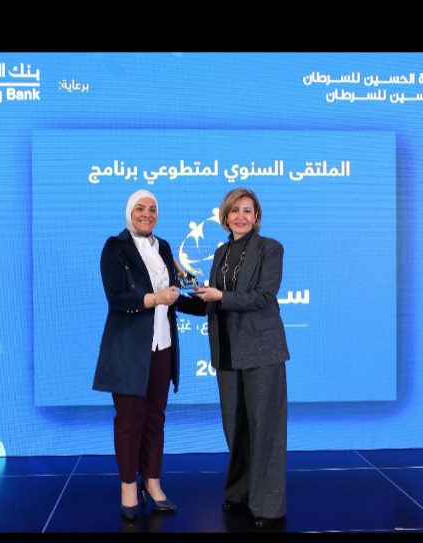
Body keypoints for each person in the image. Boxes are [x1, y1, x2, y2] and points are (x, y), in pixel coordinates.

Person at [92, 189, 204, 522]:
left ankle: (152, 483)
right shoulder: (115, 247)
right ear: (129, 213)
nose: (147, 214)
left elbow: (178, 293)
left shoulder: (164, 248)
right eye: (140, 208)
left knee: (155, 417)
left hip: (162, 346)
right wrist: (155, 298)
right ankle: (129, 487)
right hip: (129, 349)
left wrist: (198, 290)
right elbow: (117, 299)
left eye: (152, 209)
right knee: (129, 421)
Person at [190, 187, 290, 529]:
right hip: (227, 350)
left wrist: (220, 296)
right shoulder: (221, 252)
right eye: (235, 210)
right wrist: (179, 298)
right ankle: (240, 492)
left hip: (262, 349)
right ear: (225, 216)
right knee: (235, 427)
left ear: (257, 216)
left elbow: (263, 297)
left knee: (264, 428)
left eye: (247, 210)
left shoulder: (270, 248)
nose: (241, 216)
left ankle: (267, 505)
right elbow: (213, 301)